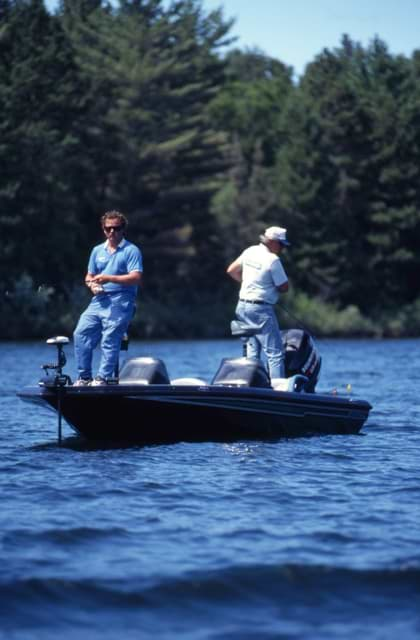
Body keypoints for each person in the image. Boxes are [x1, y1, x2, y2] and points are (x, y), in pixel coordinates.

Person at [73, 210, 143, 385]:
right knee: (80, 334)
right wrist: (93, 285)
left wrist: (108, 278)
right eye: (108, 228)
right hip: (99, 301)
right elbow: (89, 276)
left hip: (122, 300)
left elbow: (136, 277)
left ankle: (102, 378)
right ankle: (84, 377)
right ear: (103, 229)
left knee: (109, 338)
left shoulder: (131, 250)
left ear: (123, 229)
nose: (112, 232)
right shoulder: (97, 251)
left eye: (117, 228)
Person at [226, 226, 290, 380]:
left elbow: (231, 270)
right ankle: (279, 392)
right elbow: (284, 287)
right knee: (275, 353)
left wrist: (249, 284)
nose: (282, 249)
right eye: (281, 245)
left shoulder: (250, 250)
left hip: (242, 307)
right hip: (260, 311)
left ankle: (250, 385)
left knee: (252, 352)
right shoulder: (273, 260)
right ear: (272, 242)